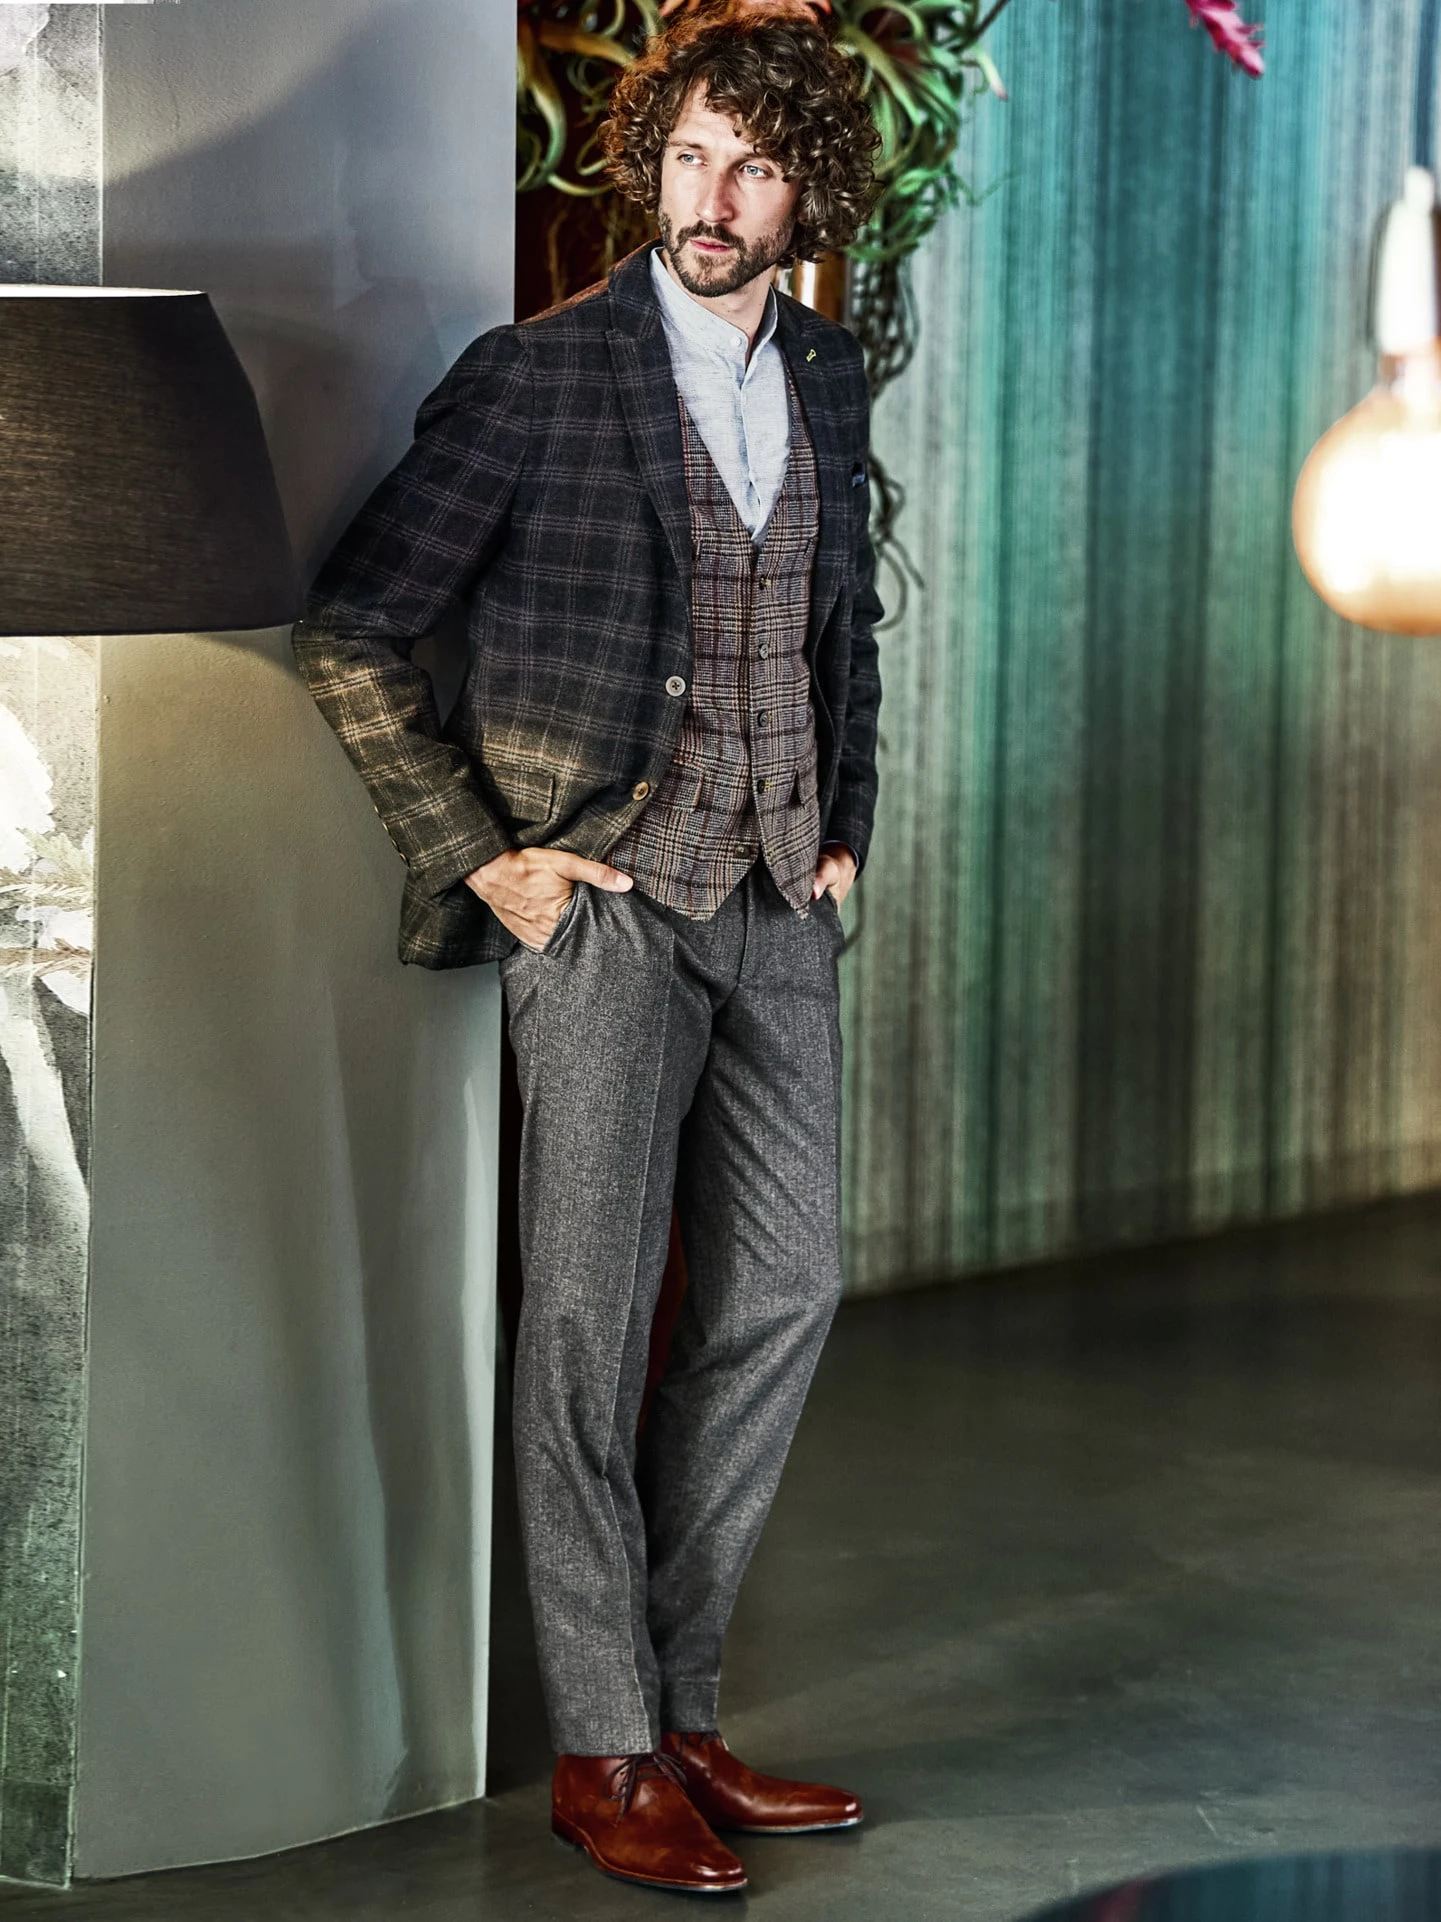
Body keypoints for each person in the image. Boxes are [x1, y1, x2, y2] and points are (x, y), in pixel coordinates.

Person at [292, 0, 883, 1894]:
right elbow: (355, 626)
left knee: (786, 1287)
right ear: (653, 164)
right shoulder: (537, 378)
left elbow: (840, 622)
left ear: (803, 190)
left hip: (778, 896)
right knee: (586, 1328)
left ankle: (683, 1706)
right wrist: (485, 859)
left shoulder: (830, 368)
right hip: (608, 901)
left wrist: (847, 814)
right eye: (691, 156)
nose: (716, 197)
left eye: (755, 167)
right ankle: (604, 1746)